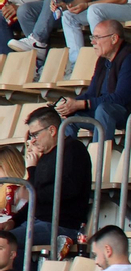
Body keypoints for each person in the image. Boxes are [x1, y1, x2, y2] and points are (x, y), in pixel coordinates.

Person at [55, 19, 131, 142]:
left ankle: (98, 158)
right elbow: (91, 94)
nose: (93, 42)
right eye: (92, 37)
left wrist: (82, 104)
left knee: (104, 110)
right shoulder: (103, 60)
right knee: (69, 117)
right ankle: (68, 157)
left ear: (114, 39)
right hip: (115, 113)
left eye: (97, 37)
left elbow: (120, 99)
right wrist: (68, 106)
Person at [18, 106, 92, 247]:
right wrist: (14, 221)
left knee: (7, 241)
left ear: (52, 130)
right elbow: (35, 199)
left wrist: (32, 169)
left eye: (35, 135)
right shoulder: (45, 156)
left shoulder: (74, 149)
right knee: (6, 238)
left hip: (62, 225)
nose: (32, 141)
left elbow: (65, 190)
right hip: (38, 222)